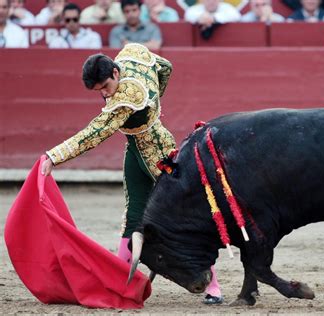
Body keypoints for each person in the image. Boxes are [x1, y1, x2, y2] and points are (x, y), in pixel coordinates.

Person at [41, 42, 223, 305]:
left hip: (160, 154)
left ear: (115, 73)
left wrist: (53, 156)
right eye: (98, 91)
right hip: (135, 148)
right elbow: (165, 67)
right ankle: (118, 284)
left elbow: (94, 133)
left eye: (105, 87)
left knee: (183, 216)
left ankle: (213, 286)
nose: (104, 94)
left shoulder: (126, 97)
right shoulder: (133, 53)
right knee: (132, 216)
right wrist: (155, 102)